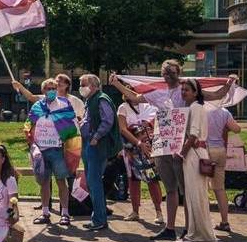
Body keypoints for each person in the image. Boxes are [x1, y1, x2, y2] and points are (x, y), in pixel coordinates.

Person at [109, 60, 237, 241]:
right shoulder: (158, 92)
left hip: (182, 147)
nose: (168, 75)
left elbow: (215, 95)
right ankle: (169, 228)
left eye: (172, 72)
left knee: (185, 189)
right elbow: (135, 97)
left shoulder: (186, 92)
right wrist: (116, 84)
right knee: (169, 188)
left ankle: (188, 228)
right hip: (163, 144)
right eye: (165, 72)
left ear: (179, 73)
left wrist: (229, 83)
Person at [13, 74, 82, 226]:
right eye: (48, 88)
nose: (51, 90)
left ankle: (65, 213)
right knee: (44, 182)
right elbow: (29, 124)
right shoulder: (37, 106)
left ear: (57, 90)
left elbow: (72, 127)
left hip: (58, 150)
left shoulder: (64, 105)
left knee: (61, 181)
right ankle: (45, 212)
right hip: (41, 151)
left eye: (53, 88)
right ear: (43, 90)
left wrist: (70, 148)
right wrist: (31, 140)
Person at [173, 79, 218, 242]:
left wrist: (181, 153)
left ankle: (198, 235)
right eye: (182, 89)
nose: (183, 92)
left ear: (195, 92)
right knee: (194, 196)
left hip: (194, 154)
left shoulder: (196, 108)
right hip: (195, 153)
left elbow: (193, 135)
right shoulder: (193, 108)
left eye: (187, 90)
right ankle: (200, 234)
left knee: (195, 195)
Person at [78, 74, 120, 231]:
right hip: (89, 144)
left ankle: (100, 219)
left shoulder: (101, 99)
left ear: (93, 85)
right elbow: (89, 120)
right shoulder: (90, 100)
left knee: (94, 183)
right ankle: (98, 218)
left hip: (97, 146)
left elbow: (107, 120)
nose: (81, 87)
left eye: (83, 84)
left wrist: (96, 136)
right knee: (92, 183)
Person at [116, 92, 164, 225]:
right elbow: (123, 129)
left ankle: (158, 211)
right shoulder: (123, 107)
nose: (128, 93)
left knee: (152, 179)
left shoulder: (149, 105)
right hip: (131, 150)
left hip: (148, 149)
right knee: (133, 179)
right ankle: (135, 211)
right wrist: (138, 143)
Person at [206, 105, 241, 232]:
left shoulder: (203, 109)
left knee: (203, 187)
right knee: (219, 188)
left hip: (206, 150)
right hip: (220, 150)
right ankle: (225, 221)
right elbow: (237, 129)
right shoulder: (225, 112)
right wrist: (225, 127)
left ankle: (204, 221)